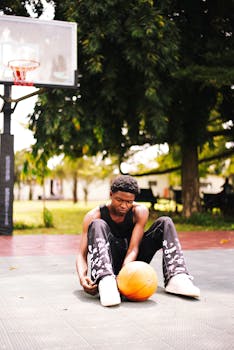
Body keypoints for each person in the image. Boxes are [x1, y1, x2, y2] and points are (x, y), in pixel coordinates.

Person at [76, 175, 200, 307]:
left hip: (132, 263)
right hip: (108, 263)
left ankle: (176, 277)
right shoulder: (93, 215)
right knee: (97, 224)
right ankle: (105, 281)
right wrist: (83, 278)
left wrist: (124, 276)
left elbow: (133, 248)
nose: (124, 205)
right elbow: (81, 255)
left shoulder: (139, 212)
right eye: (119, 200)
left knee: (165, 222)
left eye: (129, 201)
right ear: (111, 194)